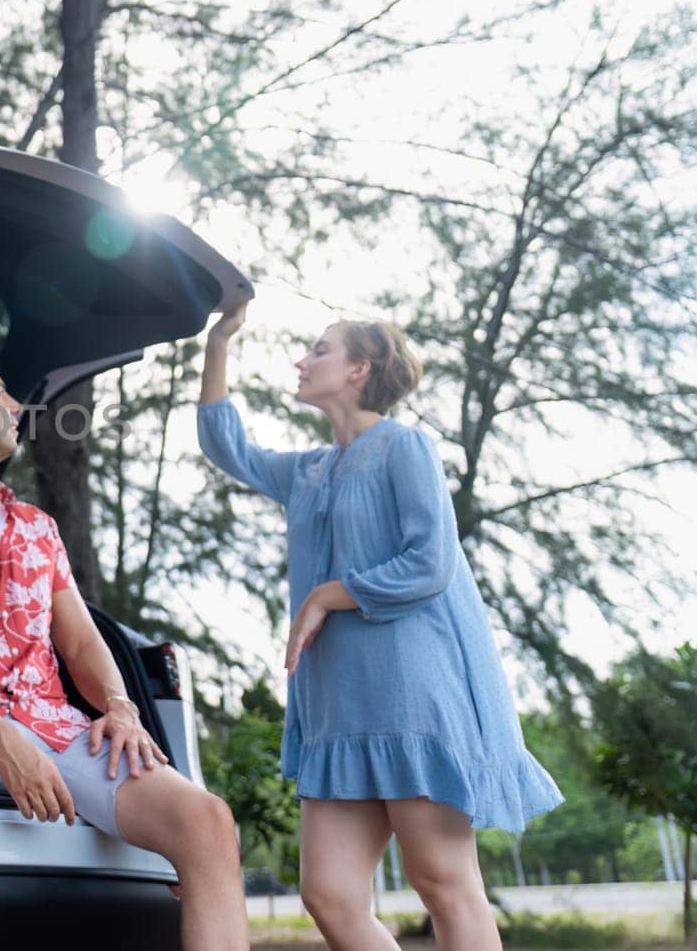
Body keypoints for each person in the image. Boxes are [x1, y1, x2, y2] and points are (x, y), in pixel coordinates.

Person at [197, 303, 562, 950]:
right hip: (337, 712)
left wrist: (328, 595)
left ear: (359, 369)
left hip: (412, 699)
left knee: (443, 881)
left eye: (319, 350)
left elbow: (431, 561)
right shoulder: (307, 470)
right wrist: (219, 341)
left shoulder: (404, 446)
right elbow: (226, 447)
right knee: (330, 893)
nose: (302, 361)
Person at [0, 340, 249, 951]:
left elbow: (79, 639)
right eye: (0, 392)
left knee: (207, 820)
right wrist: (3, 741)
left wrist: (120, 708)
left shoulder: (38, 529)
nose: (16, 405)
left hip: (54, 724)